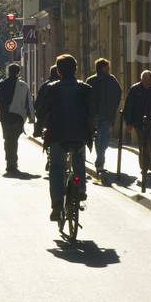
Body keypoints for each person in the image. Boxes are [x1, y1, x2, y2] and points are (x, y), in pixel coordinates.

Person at [42, 54, 96, 221]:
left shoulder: (52, 88)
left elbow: (43, 112)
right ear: (75, 69)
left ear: (58, 71)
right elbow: (91, 112)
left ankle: (57, 203)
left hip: (57, 135)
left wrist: (41, 130)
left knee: (56, 167)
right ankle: (80, 189)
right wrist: (91, 131)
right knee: (79, 159)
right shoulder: (86, 88)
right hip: (79, 134)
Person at [123, 70, 151, 174]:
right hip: (138, 122)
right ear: (141, 79)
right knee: (142, 144)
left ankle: (149, 161)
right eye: (145, 79)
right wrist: (129, 123)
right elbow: (128, 107)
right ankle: (144, 167)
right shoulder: (135, 89)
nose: (147, 82)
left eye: (149, 80)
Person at [0, 63, 35, 175]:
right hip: (18, 117)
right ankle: (13, 163)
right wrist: (31, 117)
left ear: (8, 72)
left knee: (8, 140)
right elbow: (29, 103)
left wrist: (1, 112)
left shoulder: (2, 84)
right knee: (14, 140)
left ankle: (9, 162)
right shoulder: (23, 85)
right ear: (18, 72)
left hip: (5, 116)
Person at [86, 58, 122, 175]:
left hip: (104, 115)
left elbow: (118, 94)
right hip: (99, 115)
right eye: (107, 67)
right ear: (102, 68)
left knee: (103, 140)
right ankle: (100, 162)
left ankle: (100, 160)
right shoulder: (92, 80)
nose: (108, 69)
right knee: (101, 139)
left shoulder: (111, 80)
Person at [33, 65, 59, 171]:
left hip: (48, 119)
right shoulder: (69, 85)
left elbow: (38, 103)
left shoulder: (45, 86)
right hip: (64, 120)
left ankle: (50, 157)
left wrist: (39, 117)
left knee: (48, 139)